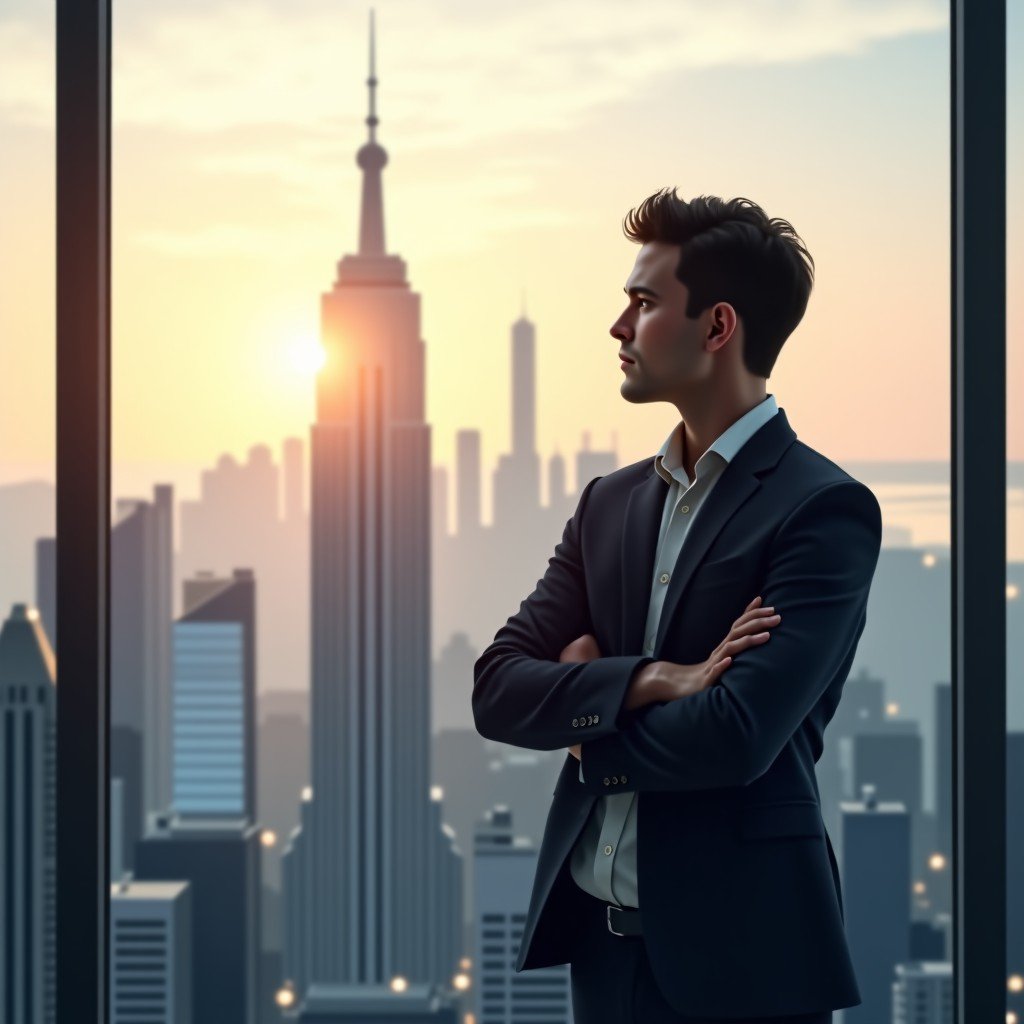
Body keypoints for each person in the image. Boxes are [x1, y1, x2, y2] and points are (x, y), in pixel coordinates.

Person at [472, 188, 883, 1023]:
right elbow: (497, 688)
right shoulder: (608, 505)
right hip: (600, 956)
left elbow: (736, 736)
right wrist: (653, 679)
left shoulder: (820, 509)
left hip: (748, 968)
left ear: (717, 326)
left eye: (644, 302)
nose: (618, 326)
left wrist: (585, 731)